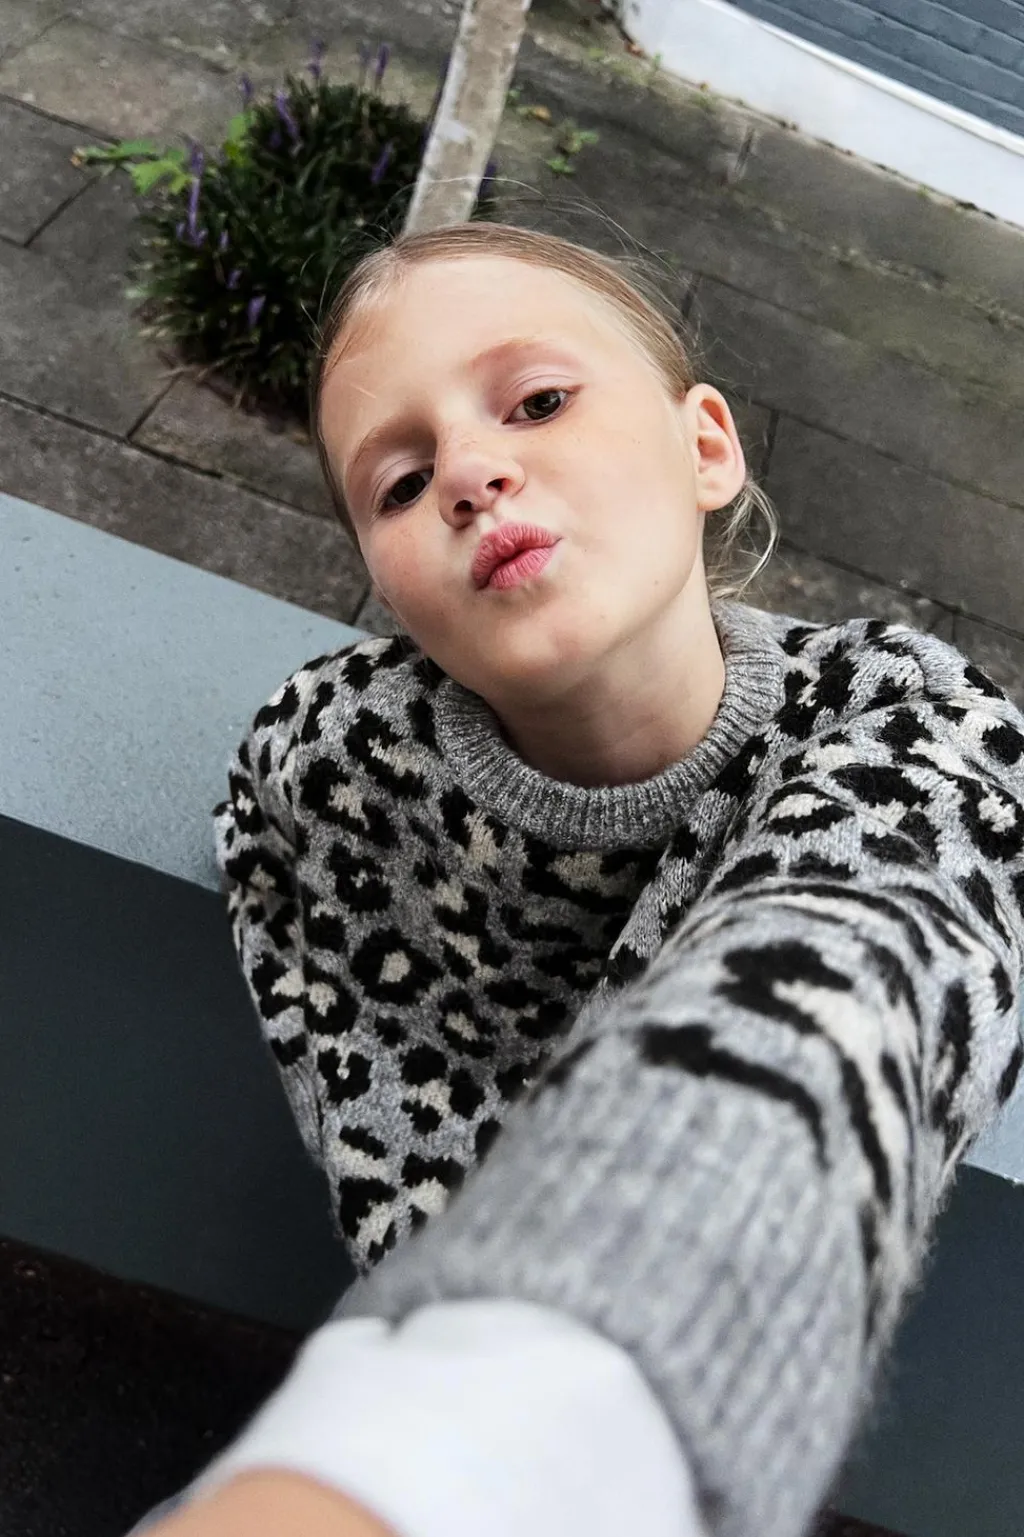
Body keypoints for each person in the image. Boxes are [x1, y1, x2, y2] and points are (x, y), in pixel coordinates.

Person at [130, 222, 1024, 1537]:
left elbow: (823, 1011)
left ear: (706, 446)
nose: (470, 474)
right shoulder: (331, 767)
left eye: (539, 402)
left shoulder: (913, 735)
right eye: (399, 482)